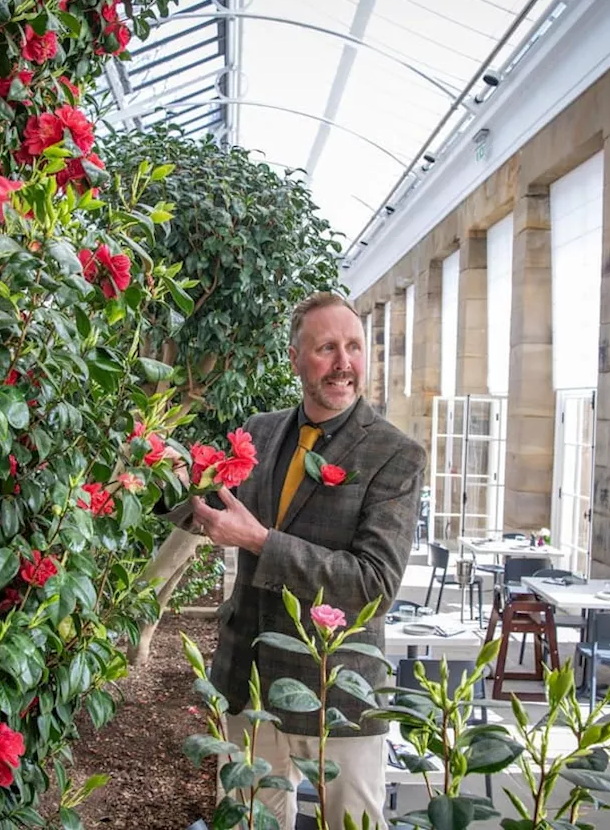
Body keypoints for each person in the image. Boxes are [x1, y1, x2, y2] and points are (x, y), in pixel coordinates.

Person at [163, 292, 425, 829]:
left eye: (353, 347)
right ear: (294, 358)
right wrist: (165, 476)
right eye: (326, 348)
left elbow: (373, 586)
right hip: (247, 680)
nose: (343, 363)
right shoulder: (260, 431)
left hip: (338, 692)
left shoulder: (395, 455)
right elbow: (215, 513)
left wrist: (261, 542)